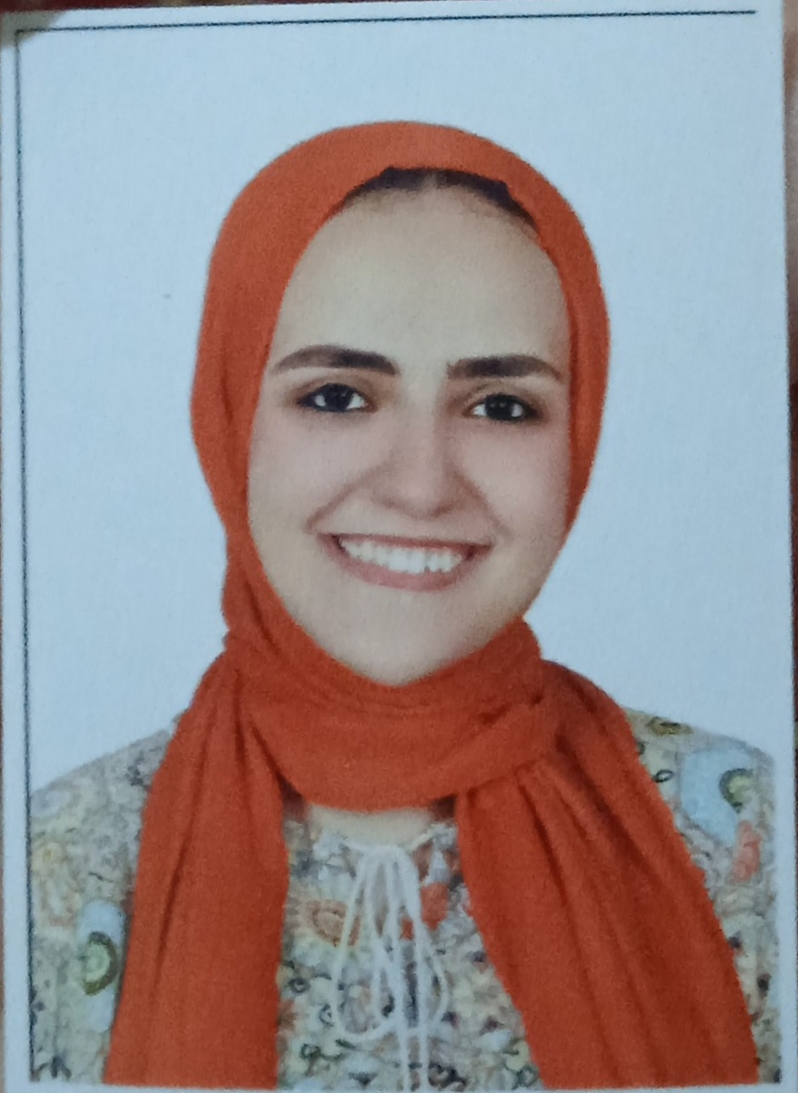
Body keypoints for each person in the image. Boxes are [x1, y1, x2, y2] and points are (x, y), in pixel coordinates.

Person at [30, 122, 780, 1089]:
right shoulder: (56, 866)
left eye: (501, 405)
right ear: (230, 418)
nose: (422, 487)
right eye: (338, 396)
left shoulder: (747, 836)